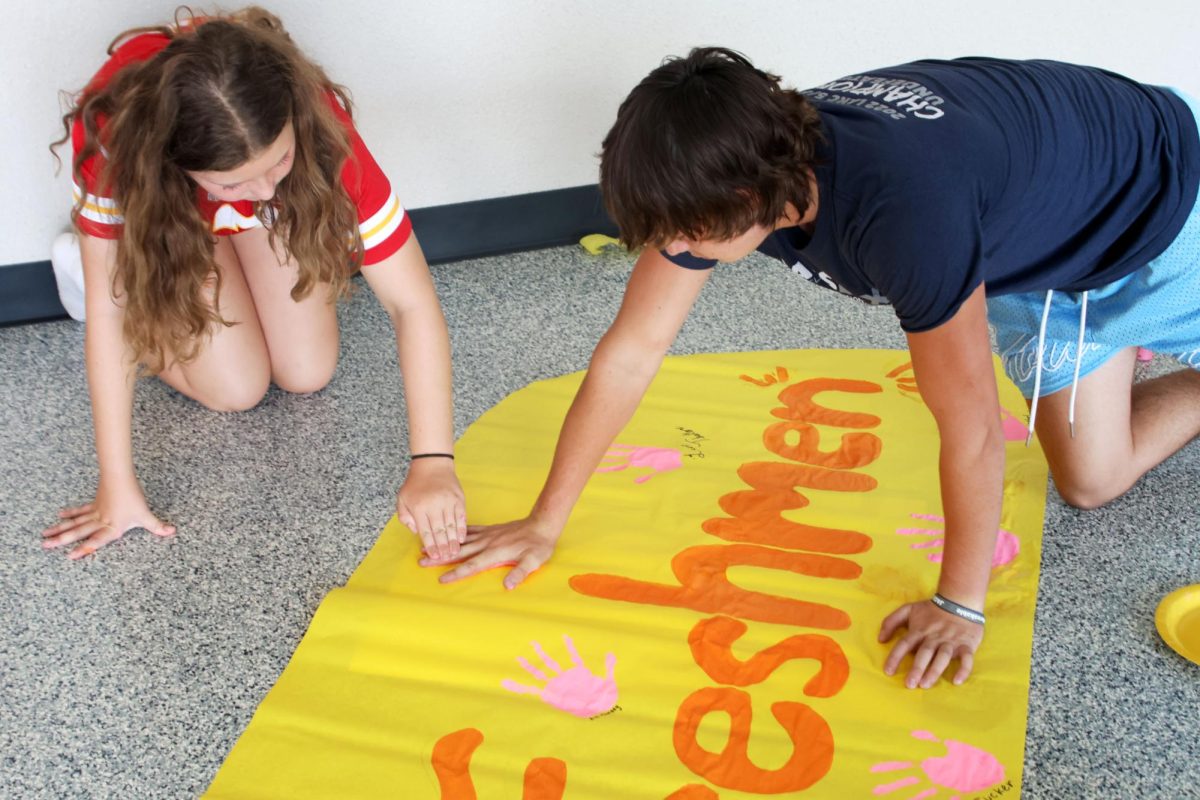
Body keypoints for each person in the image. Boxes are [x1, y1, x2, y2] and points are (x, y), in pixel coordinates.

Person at [423, 49, 1200, 689]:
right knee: (1091, 479)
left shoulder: (907, 213)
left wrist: (960, 605)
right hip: (1035, 255)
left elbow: (969, 427)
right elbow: (631, 354)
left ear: (746, 195)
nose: (673, 248)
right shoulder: (743, 163)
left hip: (1160, 204)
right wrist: (545, 519)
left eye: (684, 231)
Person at [43, 7, 467, 562]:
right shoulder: (117, 147)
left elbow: (411, 302)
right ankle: (85, 259)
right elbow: (110, 313)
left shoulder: (319, 125)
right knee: (235, 390)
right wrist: (117, 483)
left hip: (225, 199)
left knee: (307, 371)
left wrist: (433, 461)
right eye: (234, 181)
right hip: (172, 224)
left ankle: (237, 214)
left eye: (279, 160)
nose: (265, 190)